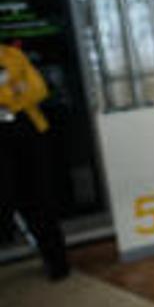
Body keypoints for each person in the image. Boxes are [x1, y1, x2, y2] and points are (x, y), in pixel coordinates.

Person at [0, 41, 69, 281]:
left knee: (41, 198)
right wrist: (14, 90)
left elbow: (38, 89)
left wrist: (9, 98)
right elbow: (19, 92)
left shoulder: (14, 55)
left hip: (29, 131)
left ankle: (57, 263)